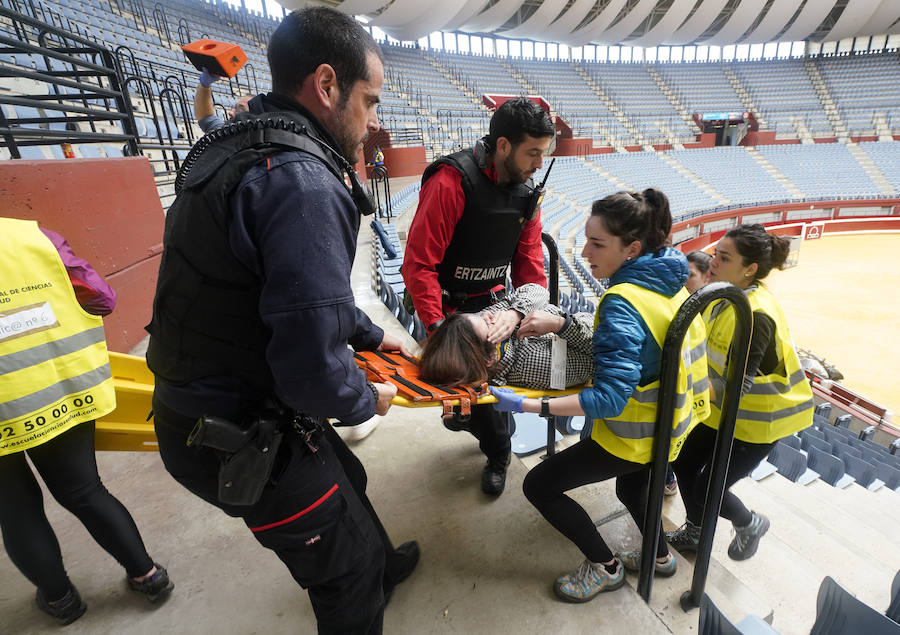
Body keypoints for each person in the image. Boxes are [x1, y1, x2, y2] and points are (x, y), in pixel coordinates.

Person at [146, 8, 418, 634]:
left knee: (349, 477)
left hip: (214, 405)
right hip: (237, 433)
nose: (373, 124)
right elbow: (312, 374)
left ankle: (380, 566)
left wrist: (379, 337)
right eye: (369, 102)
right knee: (341, 574)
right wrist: (368, 397)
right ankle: (365, 574)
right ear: (327, 86)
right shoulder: (300, 181)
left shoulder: (247, 141)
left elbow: (301, 301)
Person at [490, 189, 710, 603]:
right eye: (587, 239)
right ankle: (660, 558)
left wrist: (529, 405)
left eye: (597, 243)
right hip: (672, 426)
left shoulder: (622, 301)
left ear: (632, 249)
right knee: (631, 491)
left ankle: (604, 567)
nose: (585, 250)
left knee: (540, 485)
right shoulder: (670, 282)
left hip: (635, 435)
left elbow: (609, 398)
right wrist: (561, 326)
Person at [0, 218, 173, 626]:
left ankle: (61, 602)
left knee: (15, 510)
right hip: (56, 388)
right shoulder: (33, 237)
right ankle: (148, 576)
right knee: (84, 491)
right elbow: (101, 298)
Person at [401, 96, 555, 496]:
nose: (539, 164)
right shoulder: (451, 181)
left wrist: (522, 316)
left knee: (487, 399)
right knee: (461, 387)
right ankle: (477, 423)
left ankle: (498, 453)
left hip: (495, 305)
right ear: (503, 145)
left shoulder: (527, 197)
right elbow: (419, 265)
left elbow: (530, 270)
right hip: (448, 308)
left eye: (544, 154)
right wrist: (437, 329)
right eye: (532, 153)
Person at [667, 224, 814, 561]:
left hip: (759, 423)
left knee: (708, 487)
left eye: (724, 257)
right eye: (715, 253)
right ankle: (696, 530)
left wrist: (684, 389)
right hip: (721, 412)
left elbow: (740, 385)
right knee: (685, 463)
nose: (712, 260)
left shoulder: (757, 314)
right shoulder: (721, 292)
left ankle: (750, 523)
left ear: (749, 269)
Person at [418, 283, 594, 390]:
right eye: (487, 323)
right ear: (490, 357)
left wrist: (515, 313)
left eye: (482, 316)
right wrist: (560, 324)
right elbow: (600, 353)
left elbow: (538, 290)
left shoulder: (484, 324)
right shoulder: (531, 366)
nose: (488, 315)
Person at [664, 249, 712, 496]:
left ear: (707, 278)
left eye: (690, 275)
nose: (684, 281)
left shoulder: (714, 312)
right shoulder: (679, 304)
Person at [193, 67, 253, 133]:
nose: (230, 113)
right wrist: (204, 85)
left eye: (241, 109)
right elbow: (206, 117)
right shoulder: (226, 132)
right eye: (234, 107)